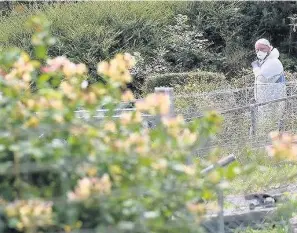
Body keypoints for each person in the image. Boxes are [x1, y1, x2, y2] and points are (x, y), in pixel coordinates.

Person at [251, 38, 286, 134]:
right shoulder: (266, 61)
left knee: (272, 124)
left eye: (262, 49)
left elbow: (261, 78)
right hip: (266, 100)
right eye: (257, 50)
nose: (259, 52)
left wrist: (256, 68)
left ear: (269, 49)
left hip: (273, 100)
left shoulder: (273, 62)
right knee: (265, 125)